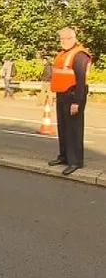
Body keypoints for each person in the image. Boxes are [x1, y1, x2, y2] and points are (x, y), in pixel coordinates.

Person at [47, 27, 92, 176]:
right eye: (62, 39)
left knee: (74, 130)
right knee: (63, 128)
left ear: (73, 39)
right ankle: (64, 156)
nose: (64, 42)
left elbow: (81, 81)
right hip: (62, 95)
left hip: (73, 96)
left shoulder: (79, 55)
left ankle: (75, 161)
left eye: (66, 39)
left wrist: (77, 102)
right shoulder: (63, 54)